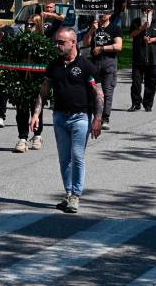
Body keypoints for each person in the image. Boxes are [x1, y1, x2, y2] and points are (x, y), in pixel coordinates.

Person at [30, 27, 104, 214]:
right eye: (57, 42)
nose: (58, 45)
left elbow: (98, 94)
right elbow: (44, 91)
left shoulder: (87, 66)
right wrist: (36, 114)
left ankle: (76, 195)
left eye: (61, 42)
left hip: (80, 117)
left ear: (73, 43)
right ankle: (68, 192)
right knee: (64, 158)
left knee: (77, 156)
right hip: (60, 117)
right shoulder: (53, 65)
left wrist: (98, 118)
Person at [83, 12, 122, 130]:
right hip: (94, 63)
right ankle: (94, 116)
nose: (102, 15)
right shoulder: (94, 26)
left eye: (105, 13)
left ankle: (105, 118)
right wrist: (91, 30)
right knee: (93, 90)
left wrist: (102, 48)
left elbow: (118, 46)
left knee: (107, 90)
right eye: (100, 13)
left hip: (109, 62)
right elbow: (85, 43)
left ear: (110, 15)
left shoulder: (115, 28)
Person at [14, 14, 45, 153]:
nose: (28, 27)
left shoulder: (43, 42)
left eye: (32, 24)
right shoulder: (20, 42)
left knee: (37, 109)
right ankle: (22, 138)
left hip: (37, 81)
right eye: (27, 24)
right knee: (21, 110)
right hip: (22, 80)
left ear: (38, 26)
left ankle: (37, 136)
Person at [128, 5, 156, 112]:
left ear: (152, 11)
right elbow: (131, 34)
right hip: (138, 57)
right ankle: (135, 103)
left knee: (151, 83)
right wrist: (141, 28)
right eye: (143, 10)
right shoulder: (136, 21)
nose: (145, 12)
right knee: (136, 83)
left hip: (152, 57)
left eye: (148, 10)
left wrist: (152, 40)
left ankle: (148, 104)